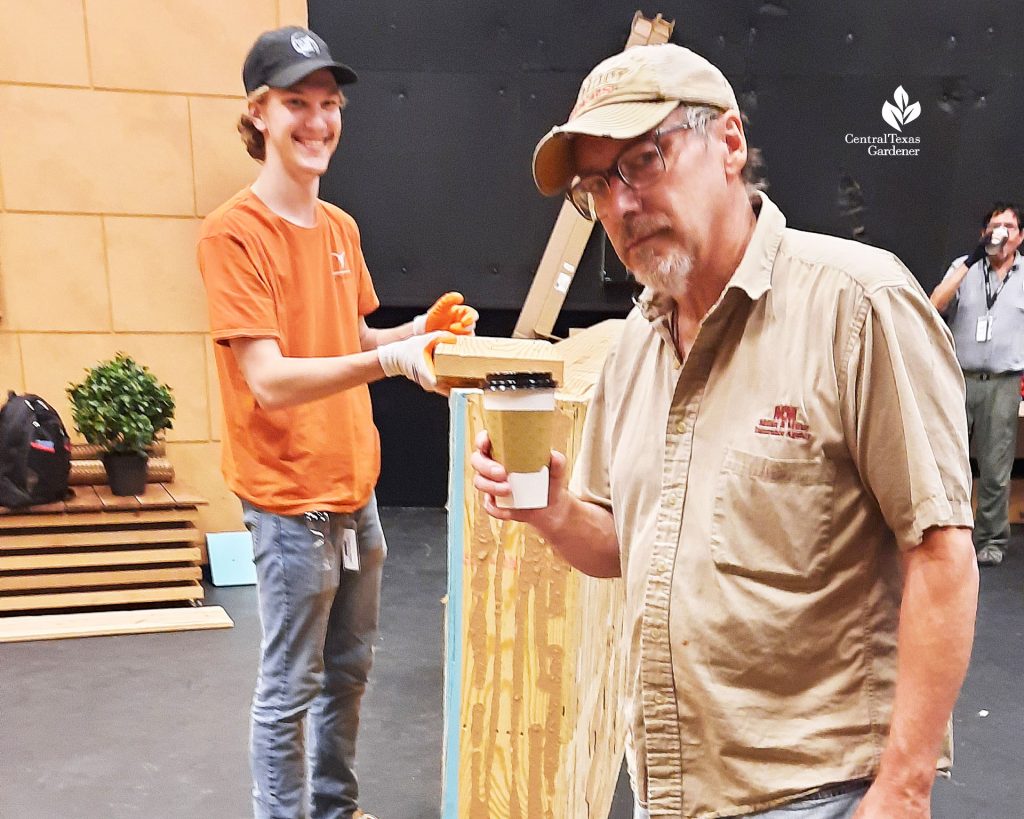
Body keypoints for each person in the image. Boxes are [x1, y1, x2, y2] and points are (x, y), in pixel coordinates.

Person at [472, 43, 978, 819]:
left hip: (816, 796)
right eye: (596, 185)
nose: (620, 204)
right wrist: (551, 511)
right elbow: (621, 541)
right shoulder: (636, 345)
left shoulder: (856, 305)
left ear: (730, 144)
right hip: (667, 792)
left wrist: (903, 789)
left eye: (643, 159)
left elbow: (941, 553)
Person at [197, 26, 477, 819]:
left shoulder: (341, 229)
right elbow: (272, 378)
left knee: (349, 669)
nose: (317, 121)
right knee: (291, 685)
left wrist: (414, 332)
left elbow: (350, 340)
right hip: (289, 503)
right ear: (258, 113)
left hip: (356, 489)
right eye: (297, 104)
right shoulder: (233, 234)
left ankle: (333, 807)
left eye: (329, 104)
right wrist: (392, 364)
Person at [930, 203, 1024, 566]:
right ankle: (945, 535)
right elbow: (934, 304)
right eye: (994, 226)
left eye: (1008, 227)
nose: (1000, 233)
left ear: (1019, 237)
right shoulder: (965, 267)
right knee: (949, 462)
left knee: (996, 469)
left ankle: (991, 540)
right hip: (959, 378)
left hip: (1002, 382)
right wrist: (971, 259)